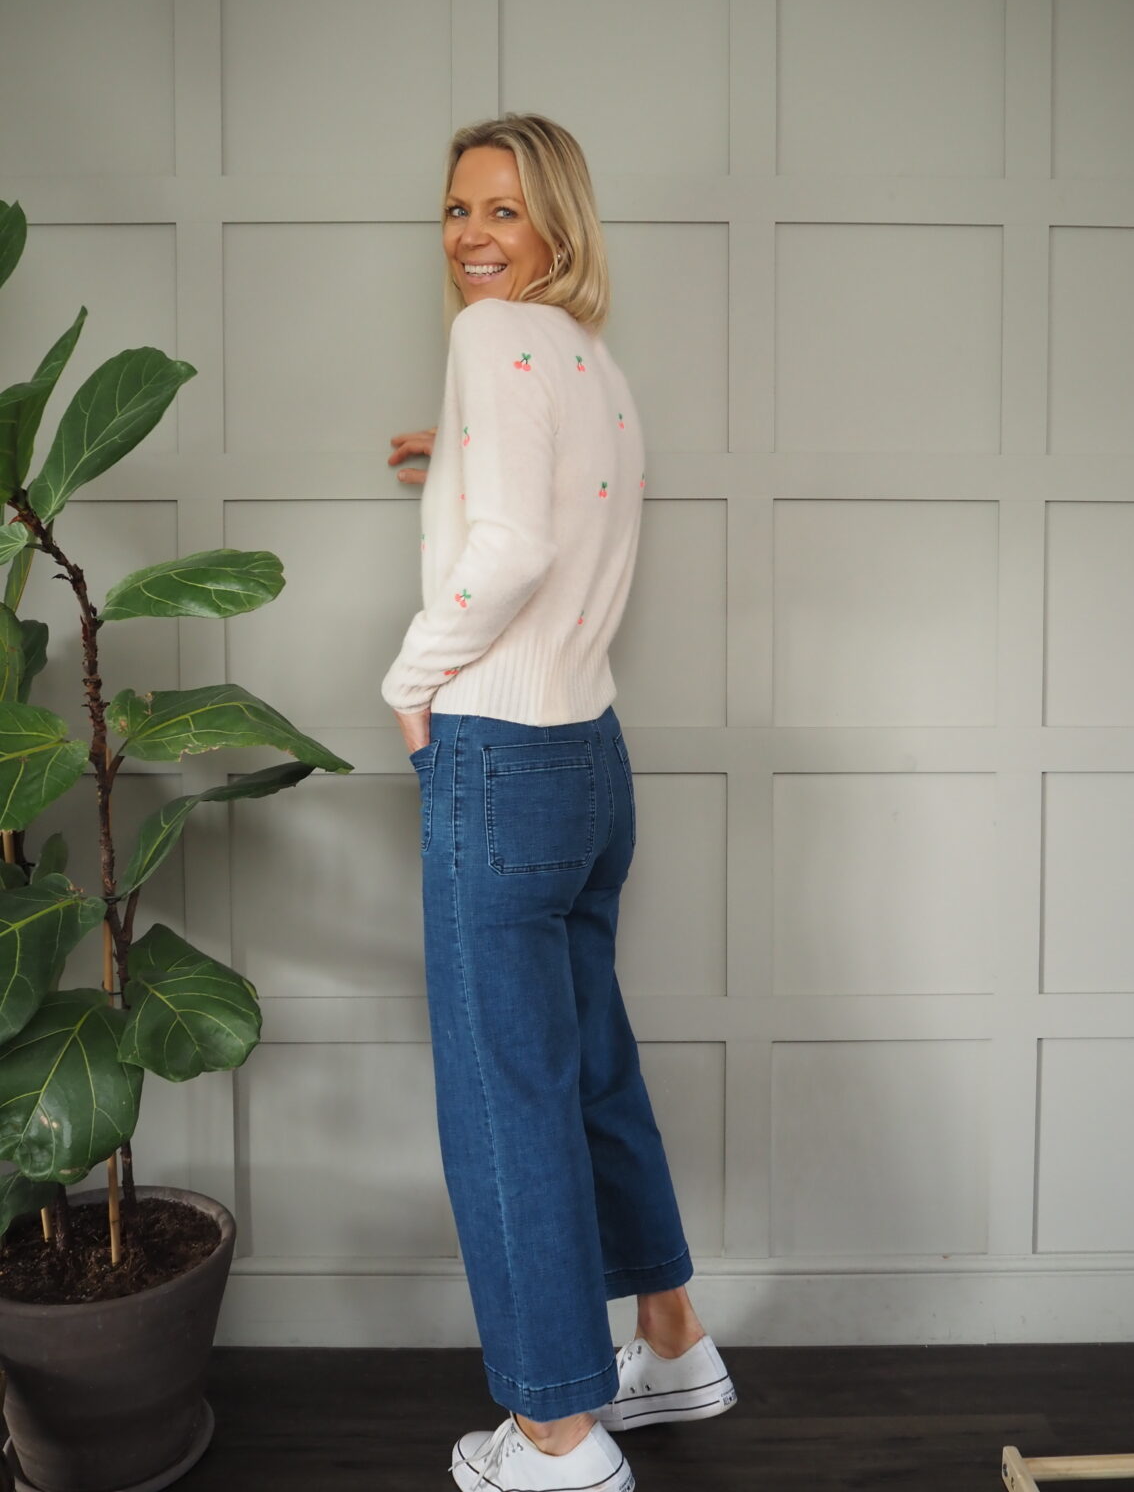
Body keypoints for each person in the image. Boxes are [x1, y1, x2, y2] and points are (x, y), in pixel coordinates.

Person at [380, 114, 736, 1492]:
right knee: (587, 1067)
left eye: (503, 211)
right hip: (592, 760)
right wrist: (456, 461)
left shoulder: (492, 336)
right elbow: (565, 495)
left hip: (498, 758)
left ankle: (555, 1436)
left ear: (556, 225)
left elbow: (521, 541)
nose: (472, 236)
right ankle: (674, 1341)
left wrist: (412, 675)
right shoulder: (594, 360)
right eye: (456, 209)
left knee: (504, 1095)